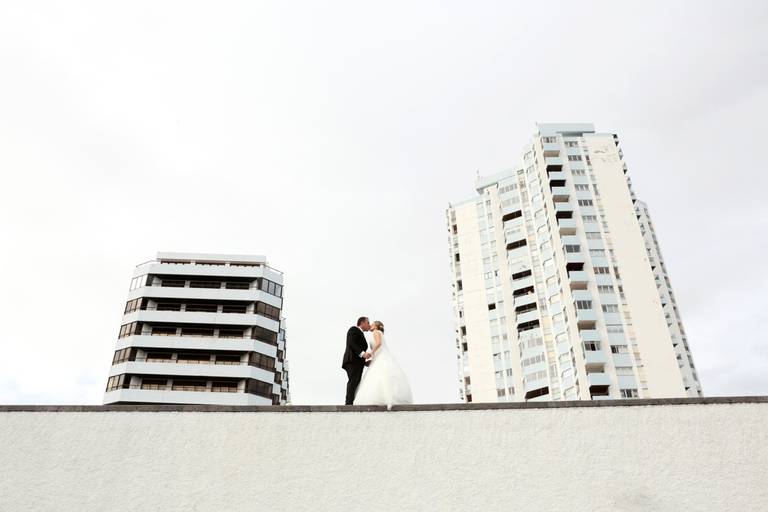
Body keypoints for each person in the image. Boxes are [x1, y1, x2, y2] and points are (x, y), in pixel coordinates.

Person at [353, 320, 413, 409]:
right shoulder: (378, 332)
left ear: (376, 326)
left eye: (372, 324)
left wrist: (370, 352)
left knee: (381, 375)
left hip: (380, 357)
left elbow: (379, 343)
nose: (370, 325)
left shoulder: (376, 332)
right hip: (378, 357)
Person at [342, 316, 372, 405]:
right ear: (362, 323)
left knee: (356, 382)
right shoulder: (353, 329)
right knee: (353, 381)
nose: (369, 325)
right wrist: (363, 354)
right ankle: (348, 404)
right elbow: (351, 343)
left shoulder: (361, 333)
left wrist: (365, 362)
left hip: (358, 363)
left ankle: (352, 402)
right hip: (352, 361)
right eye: (368, 323)